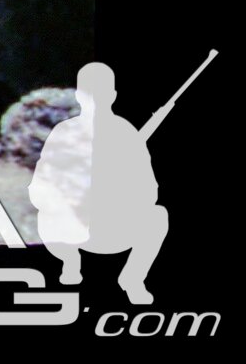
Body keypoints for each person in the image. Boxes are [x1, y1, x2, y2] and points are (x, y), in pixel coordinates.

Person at [35, 55, 194, 307]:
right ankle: (70, 264)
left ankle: (132, 278)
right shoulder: (65, 133)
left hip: (114, 230)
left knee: (157, 216)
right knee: (44, 212)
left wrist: (117, 189)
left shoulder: (125, 134)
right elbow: (39, 189)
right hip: (71, 228)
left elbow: (149, 192)